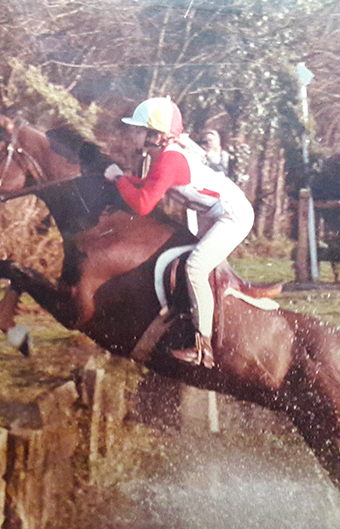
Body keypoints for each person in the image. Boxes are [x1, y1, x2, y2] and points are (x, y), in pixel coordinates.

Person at [104, 97, 254, 368]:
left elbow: (143, 204)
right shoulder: (165, 154)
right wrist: (123, 180)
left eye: (139, 130)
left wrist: (118, 179)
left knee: (196, 267)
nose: (133, 134)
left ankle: (203, 348)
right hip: (217, 213)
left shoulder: (169, 159)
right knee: (193, 261)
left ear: (157, 135)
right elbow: (149, 186)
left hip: (234, 216)